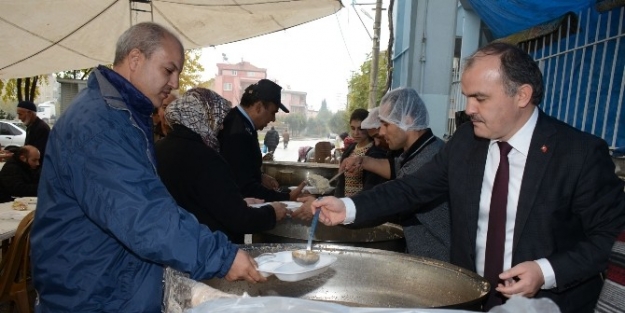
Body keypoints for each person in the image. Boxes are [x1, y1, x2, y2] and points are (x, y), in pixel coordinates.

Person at [311, 42, 625, 312]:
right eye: (466, 97)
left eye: (480, 98)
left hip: (548, 302)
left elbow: (605, 240)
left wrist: (545, 271)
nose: (468, 108)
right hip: (471, 298)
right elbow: (411, 189)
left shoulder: (578, 153)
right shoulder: (465, 143)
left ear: (522, 95)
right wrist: (349, 208)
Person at [30, 22, 265, 312]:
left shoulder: (122, 116)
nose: (176, 83)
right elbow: (143, 215)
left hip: (113, 286)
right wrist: (221, 256)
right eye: (168, 70)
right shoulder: (98, 125)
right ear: (135, 59)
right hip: (93, 295)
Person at [155, 87, 288, 244]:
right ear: (205, 117)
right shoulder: (206, 157)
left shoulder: (157, 149)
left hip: (171, 245)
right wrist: (272, 212)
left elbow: (201, 200)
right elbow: (238, 219)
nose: (222, 127)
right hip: (207, 252)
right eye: (219, 120)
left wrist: (239, 202)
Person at [349, 88, 450, 262]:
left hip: (436, 262)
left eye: (386, 124)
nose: (380, 132)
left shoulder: (428, 159)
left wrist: (342, 211)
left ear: (407, 119)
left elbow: (389, 201)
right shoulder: (422, 149)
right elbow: (395, 167)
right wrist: (363, 161)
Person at [218, 79, 304, 202]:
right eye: (272, 112)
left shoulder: (242, 124)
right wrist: (286, 197)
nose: (273, 119)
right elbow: (245, 187)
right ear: (258, 107)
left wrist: (260, 177)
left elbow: (240, 170)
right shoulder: (237, 131)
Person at [334, 108, 386, 197]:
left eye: (360, 129)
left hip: (361, 205)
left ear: (368, 128)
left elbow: (372, 187)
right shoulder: (349, 149)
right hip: (343, 204)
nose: (356, 133)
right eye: (353, 128)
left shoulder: (375, 153)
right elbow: (341, 182)